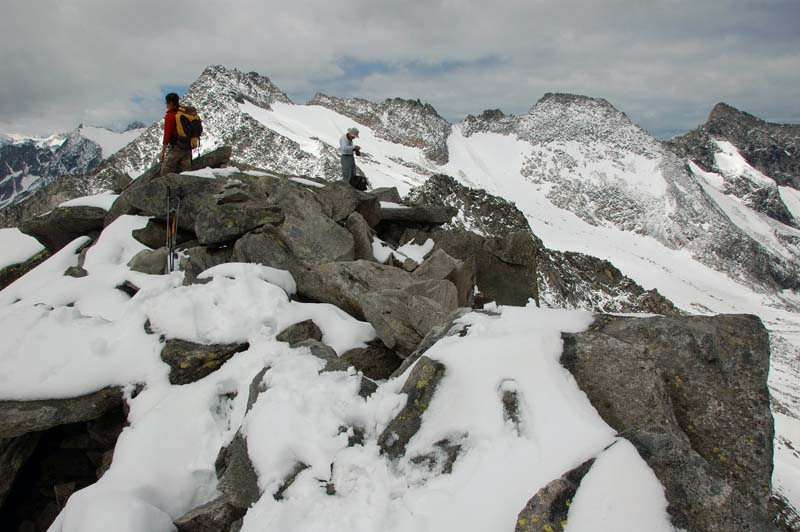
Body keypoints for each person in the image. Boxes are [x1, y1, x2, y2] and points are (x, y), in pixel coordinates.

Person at [159, 93, 192, 176]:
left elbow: (167, 134)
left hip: (177, 147)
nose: (165, 104)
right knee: (186, 173)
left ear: (170, 103)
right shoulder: (184, 113)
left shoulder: (170, 116)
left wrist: (163, 152)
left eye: (166, 102)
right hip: (188, 146)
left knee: (165, 171)